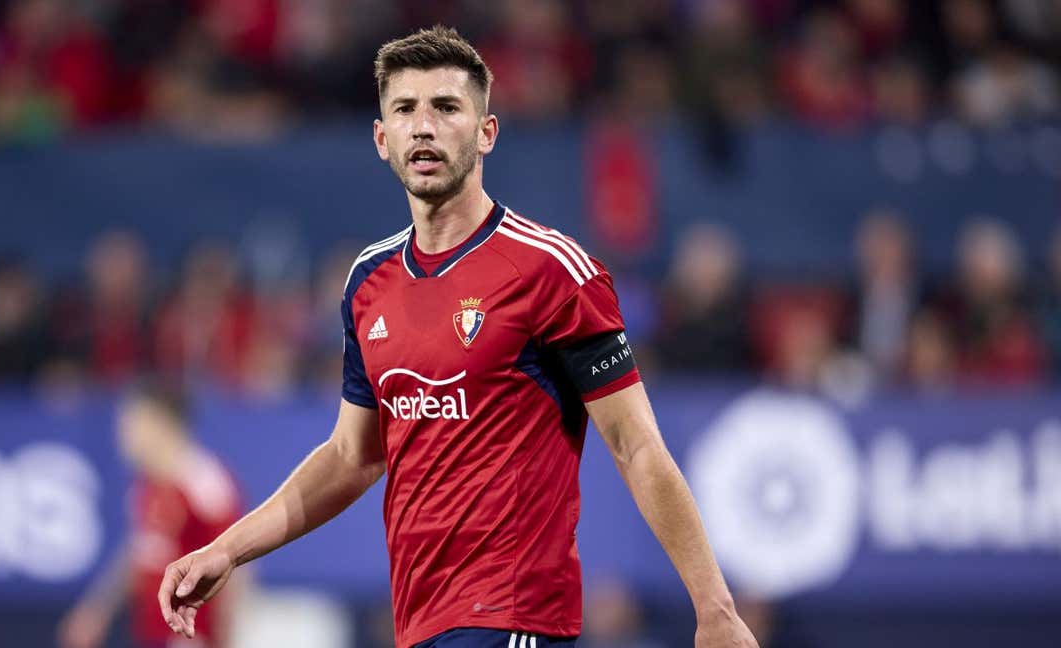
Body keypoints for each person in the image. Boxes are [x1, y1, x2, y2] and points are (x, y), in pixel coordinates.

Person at [156, 26, 758, 648]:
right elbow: (351, 456)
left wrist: (713, 607)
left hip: (514, 620)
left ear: (486, 132)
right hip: (420, 625)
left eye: (445, 107)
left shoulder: (550, 270)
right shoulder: (368, 282)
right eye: (405, 110)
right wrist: (227, 551)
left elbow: (636, 445)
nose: (424, 126)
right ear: (381, 138)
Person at [59, 381, 242, 648]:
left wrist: (225, 640)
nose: (123, 434)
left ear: (161, 424)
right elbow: (139, 554)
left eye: (133, 424)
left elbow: (237, 567)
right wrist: (96, 611)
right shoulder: (145, 485)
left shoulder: (204, 483)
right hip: (150, 635)